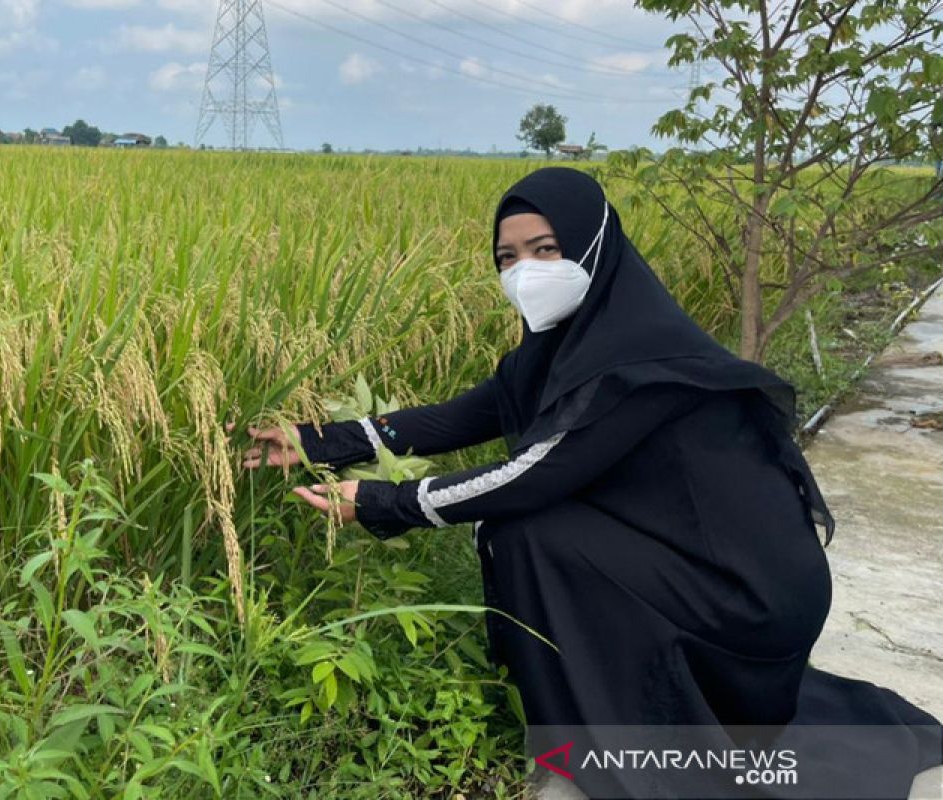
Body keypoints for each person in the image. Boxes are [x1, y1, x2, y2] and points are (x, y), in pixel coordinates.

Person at [233, 167, 943, 799]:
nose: (525, 272)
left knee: (526, 531)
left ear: (595, 245)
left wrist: (385, 502)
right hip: (701, 564)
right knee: (537, 530)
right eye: (507, 258)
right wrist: (316, 441)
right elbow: (457, 418)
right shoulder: (557, 352)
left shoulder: (636, 362)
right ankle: (600, 707)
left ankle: (613, 732)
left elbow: (531, 475)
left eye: (546, 249)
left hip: (754, 597)